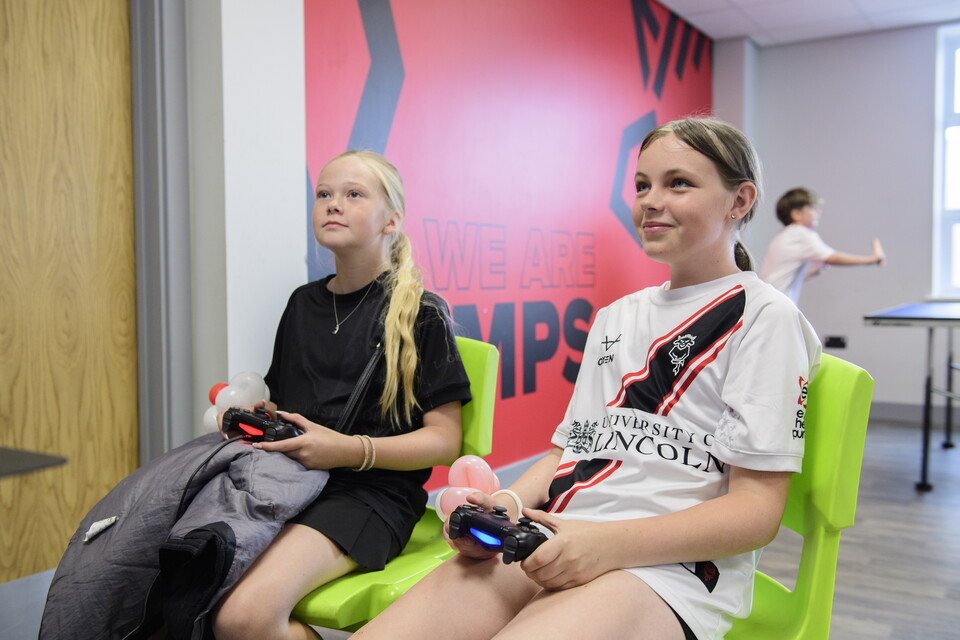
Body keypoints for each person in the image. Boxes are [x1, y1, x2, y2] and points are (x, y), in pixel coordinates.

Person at [352, 118, 821, 640]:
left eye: (678, 183)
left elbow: (755, 513)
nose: (650, 200)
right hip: (554, 537)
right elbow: (568, 454)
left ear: (739, 201)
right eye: (642, 185)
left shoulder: (765, 318)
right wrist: (509, 504)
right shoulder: (615, 317)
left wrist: (605, 546)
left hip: (666, 573)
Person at [211, 150, 472, 640]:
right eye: (324, 194)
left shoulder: (421, 313)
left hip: (372, 495)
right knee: (195, 583)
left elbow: (445, 440)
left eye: (354, 195)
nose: (333, 204)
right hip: (289, 482)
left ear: (390, 220)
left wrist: (350, 450)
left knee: (242, 618)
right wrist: (261, 416)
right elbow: (290, 404)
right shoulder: (302, 304)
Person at [758, 187, 885, 304]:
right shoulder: (800, 233)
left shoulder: (785, 235)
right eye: (812, 207)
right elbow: (832, 257)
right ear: (797, 214)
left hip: (768, 302)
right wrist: (871, 259)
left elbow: (781, 278)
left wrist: (811, 272)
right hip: (774, 305)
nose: (818, 211)